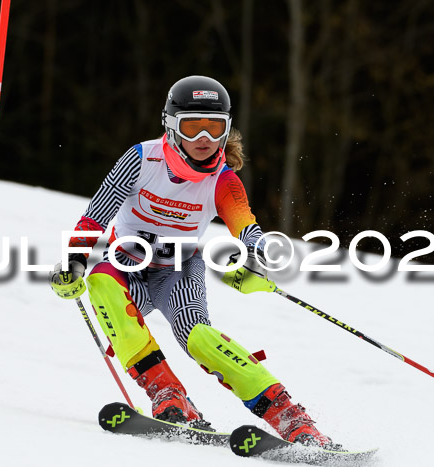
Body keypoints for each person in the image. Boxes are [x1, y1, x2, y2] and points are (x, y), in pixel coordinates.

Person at [50, 75, 338, 448]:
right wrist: (73, 260)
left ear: (227, 130)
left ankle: (292, 419)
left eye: (214, 128)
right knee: (101, 284)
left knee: (198, 336)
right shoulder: (141, 158)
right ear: (171, 126)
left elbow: (245, 224)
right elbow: (96, 215)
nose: (204, 139)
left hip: (178, 270)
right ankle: (169, 396)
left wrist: (256, 256)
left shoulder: (222, 178)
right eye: (192, 126)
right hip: (126, 264)